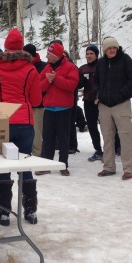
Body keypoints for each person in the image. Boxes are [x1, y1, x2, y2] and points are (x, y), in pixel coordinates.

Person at [0, 29, 42, 225]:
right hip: (24, 121)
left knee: (2, 167)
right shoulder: (31, 69)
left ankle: (5, 212)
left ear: (6, 47)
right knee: (25, 165)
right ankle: (30, 211)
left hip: (0, 120)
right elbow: (35, 99)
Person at [94, 37, 132, 180]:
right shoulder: (100, 63)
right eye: (109, 48)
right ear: (104, 50)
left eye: (114, 47)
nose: (112, 50)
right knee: (107, 137)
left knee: (126, 136)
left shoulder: (125, 60)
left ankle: (129, 168)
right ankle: (108, 167)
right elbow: (96, 81)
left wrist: (122, 94)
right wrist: (98, 93)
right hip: (104, 105)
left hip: (121, 104)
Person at [36, 42, 79, 176]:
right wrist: (48, 81)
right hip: (49, 108)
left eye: (49, 54)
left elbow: (71, 85)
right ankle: (47, 164)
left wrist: (55, 79)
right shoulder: (47, 67)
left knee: (63, 138)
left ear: (56, 55)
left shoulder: (70, 67)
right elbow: (38, 86)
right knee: (48, 138)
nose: (46, 56)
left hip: (64, 109)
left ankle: (63, 165)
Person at [23, 44, 47, 156]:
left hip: (39, 105)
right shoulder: (24, 66)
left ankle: (37, 156)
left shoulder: (43, 66)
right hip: (25, 104)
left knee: (37, 132)